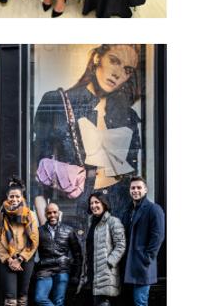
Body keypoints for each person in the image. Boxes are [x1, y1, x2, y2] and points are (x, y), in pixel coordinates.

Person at [33, 45, 142, 230]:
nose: (117, 74)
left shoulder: (128, 116)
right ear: (97, 58)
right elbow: (36, 170)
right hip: (73, 212)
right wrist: (46, 230)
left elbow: (133, 177)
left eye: (127, 70)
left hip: (118, 210)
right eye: (114, 61)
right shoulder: (58, 101)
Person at [0, 178, 39, 306]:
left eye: (17, 196)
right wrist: (9, 259)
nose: (14, 199)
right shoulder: (0, 215)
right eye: (11, 196)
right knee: (10, 299)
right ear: (7, 197)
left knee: (23, 297)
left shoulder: (30, 214)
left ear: (22, 197)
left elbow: (34, 239)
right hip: (7, 260)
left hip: (26, 259)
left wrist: (20, 258)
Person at [120, 177, 165, 306]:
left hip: (142, 267)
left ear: (145, 190)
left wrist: (146, 258)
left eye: (139, 187)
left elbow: (158, 237)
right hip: (127, 267)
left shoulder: (154, 209)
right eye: (133, 188)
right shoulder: (128, 211)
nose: (135, 190)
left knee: (140, 302)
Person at [77, 193, 126, 306]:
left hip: (105, 276)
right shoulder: (91, 224)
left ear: (104, 204)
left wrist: (109, 262)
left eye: (96, 202)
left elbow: (121, 245)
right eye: (91, 203)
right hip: (91, 277)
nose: (93, 205)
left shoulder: (113, 221)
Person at [34, 202, 82, 306]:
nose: (52, 215)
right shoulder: (38, 231)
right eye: (49, 213)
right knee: (39, 298)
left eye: (54, 212)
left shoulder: (68, 230)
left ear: (59, 213)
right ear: (46, 214)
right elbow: (31, 251)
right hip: (44, 270)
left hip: (62, 269)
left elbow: (77, 254)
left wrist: (76, 275)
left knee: (59, 302)